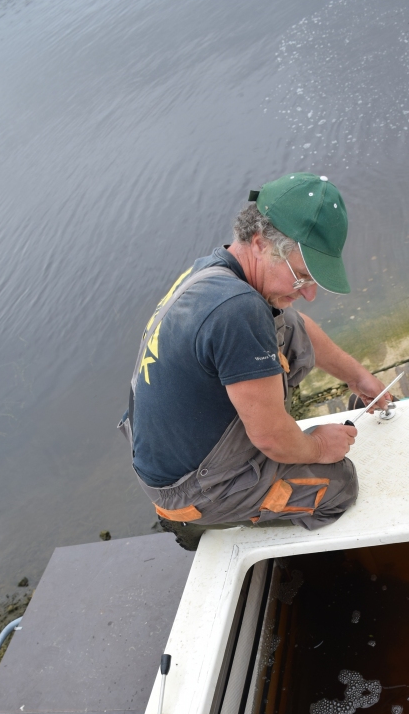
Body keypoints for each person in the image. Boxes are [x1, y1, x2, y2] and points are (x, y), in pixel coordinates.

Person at [119, 172, 392, 542]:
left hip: (168, 450)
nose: (310, 294)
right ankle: (200, 522)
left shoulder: (216, 271)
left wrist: (358, 378)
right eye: (301, 277)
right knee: (339, 485)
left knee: (285, 321)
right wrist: (318, 446)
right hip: (191, 489)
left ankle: (257, 461)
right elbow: (272, 440)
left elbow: (298, 327)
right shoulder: (237, 310)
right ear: (261, 243)